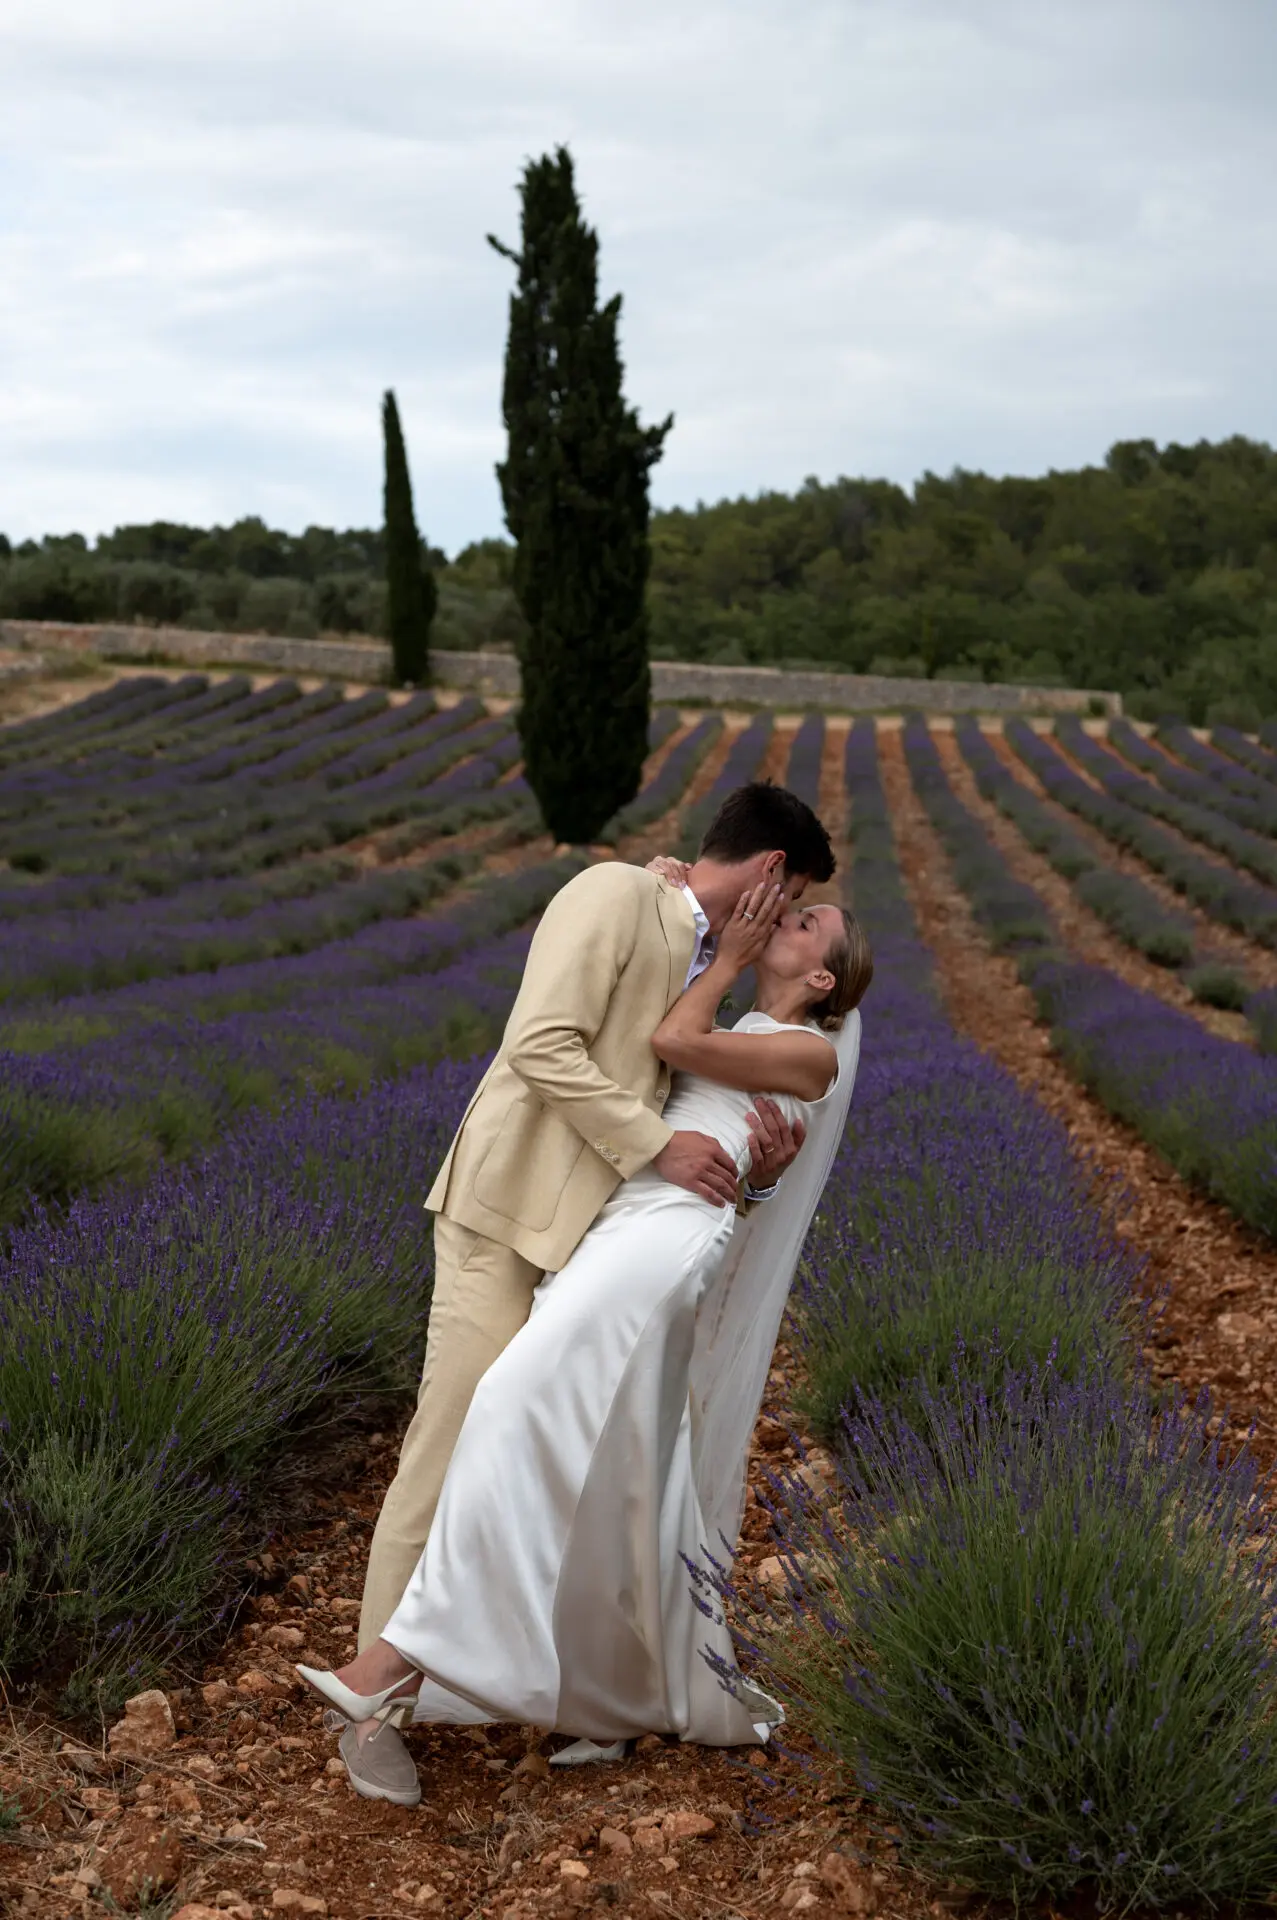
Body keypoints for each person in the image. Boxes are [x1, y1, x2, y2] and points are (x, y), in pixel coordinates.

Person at [300, 873, 872, 1802]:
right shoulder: (736, 1013)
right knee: (619, 1468)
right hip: (613, 1228)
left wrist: (722, 958)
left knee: (511, 1404)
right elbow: (675, 1081)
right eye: (790, 901)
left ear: (821, 981)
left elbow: (669, 1046)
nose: (786, 916)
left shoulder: (810, 1056)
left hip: (659, 1245)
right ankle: (610, 1698)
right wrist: (691, 928)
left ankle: (397, 1666)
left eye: (808, 922)